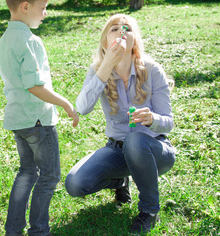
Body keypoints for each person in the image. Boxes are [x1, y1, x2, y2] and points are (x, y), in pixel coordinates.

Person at [65, 14, 176, 234]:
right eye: (114, 29)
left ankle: (149, 211)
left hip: (156, 151)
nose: (121, 32)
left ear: (134, 40)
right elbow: (83, 108)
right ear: (106, 41)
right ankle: (120, 182)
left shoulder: (152, 70)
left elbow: (169, 122)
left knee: (136, 139)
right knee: (75, 184)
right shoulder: (98, 69)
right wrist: (106, 66)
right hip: (117, 149)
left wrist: (152, 119)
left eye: (127, 28)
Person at [0, 0, 79, 236]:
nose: (44, 14)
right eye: (42, 8)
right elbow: (34, 86)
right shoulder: (30, 41)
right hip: (38, 121)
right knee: (50, 175)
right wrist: (65, 103)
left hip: (18, 120)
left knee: (27, 172)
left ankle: (13, 229)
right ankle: (39, 230)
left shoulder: (3, 41)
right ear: (25, 7)